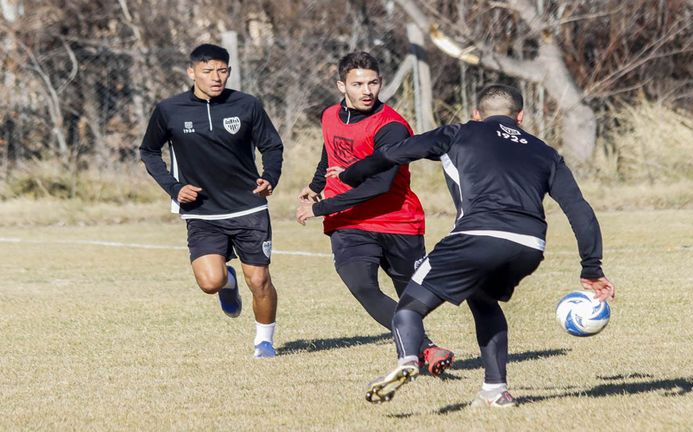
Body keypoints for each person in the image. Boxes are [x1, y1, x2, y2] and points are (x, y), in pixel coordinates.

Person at [329, 84, 616, 407]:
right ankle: (496, 390)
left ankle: (408, 359)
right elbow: (579, 209)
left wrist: (351, 175)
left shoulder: (459, 132)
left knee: (409, 308)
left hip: (475, 236)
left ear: (477, 115)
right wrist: (592, 267)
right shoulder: (546, 152)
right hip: (528, 246)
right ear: (520, 117)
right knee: (484, 301)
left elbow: (393, 153)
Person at [295, 51, 454, 375]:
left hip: (397, 221)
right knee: (362, 286)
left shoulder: (391, 127)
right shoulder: (329, 115)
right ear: (342, 85)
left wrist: (319, 208)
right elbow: (330, 149)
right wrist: (316, 184)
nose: (367, 91)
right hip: (349, 222)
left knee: (411, 302)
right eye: (358, 84)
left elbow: (380, 186)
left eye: (373, 83)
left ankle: (421, 350)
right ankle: (426, 349)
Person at [139, 44, 283, 358]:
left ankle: (264, 342)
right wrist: (174, 188)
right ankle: (227, 282)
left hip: (249, 207)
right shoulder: (170, 109)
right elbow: (148, 151)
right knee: (210, 282)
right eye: (207, 71)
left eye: (222, 71)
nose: (216, 77)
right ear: (192, 73)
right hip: (202, 212)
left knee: (259, 279)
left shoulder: (247, 104)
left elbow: (272, 146)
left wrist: (270, 176)